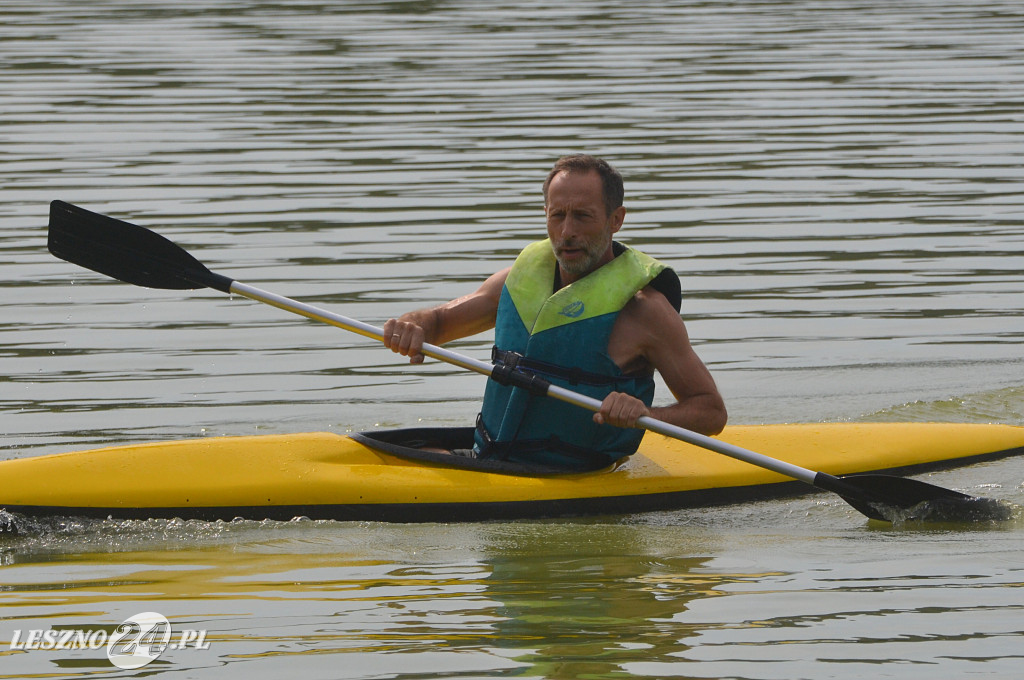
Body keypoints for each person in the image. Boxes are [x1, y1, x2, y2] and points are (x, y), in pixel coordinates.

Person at [383, 154, 727, 470]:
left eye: (583, 216)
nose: (567, 232)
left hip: (577, 475)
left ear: (616, 219)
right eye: (557, 215)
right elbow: (439, 321)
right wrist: (415, 326)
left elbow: (710, 410)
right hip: (489, 459)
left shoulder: (645, 311)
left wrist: (646, 413)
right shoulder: (515, 283)